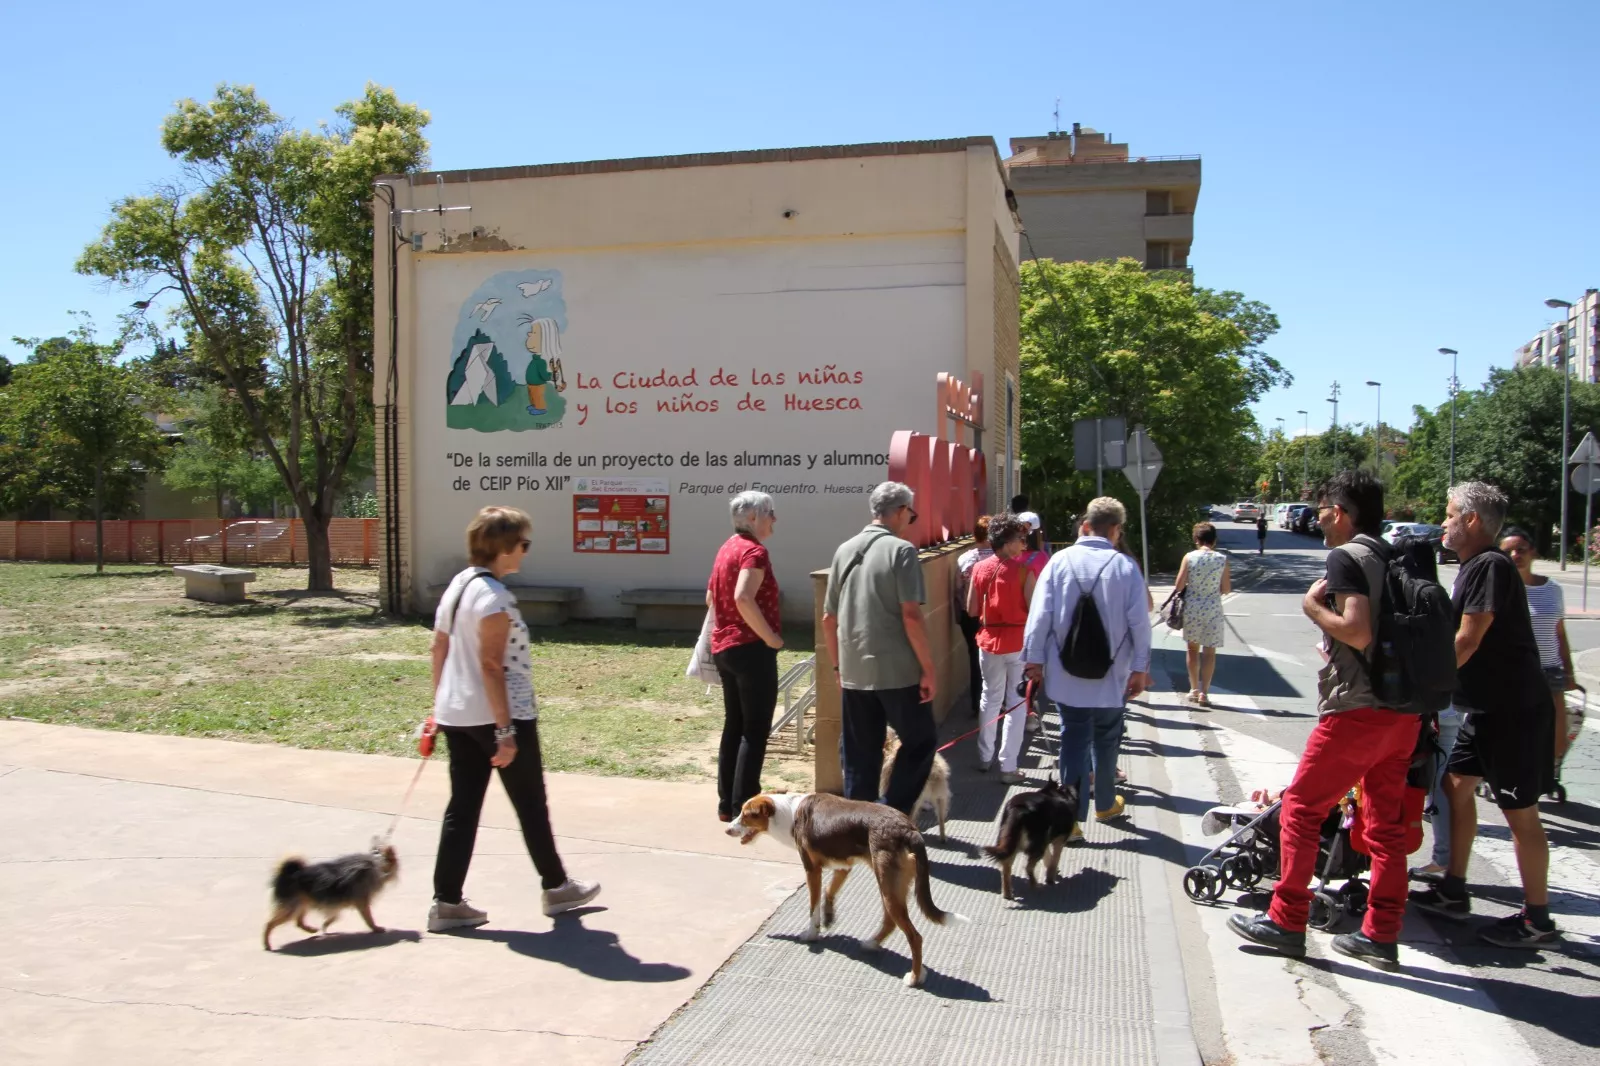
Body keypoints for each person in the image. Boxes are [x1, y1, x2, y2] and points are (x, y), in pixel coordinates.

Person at [1229, 471, 1418, 972]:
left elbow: (1355, 631)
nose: (1318, 518)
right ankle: (1380, 933)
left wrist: (1313, 606)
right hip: (1405, 713)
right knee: (1384, 827)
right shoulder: (1399, 553)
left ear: (1342, 512)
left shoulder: (1347, 557)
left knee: (1301, 809)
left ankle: (1286, 921)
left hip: (1357, 711)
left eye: (1324, 509)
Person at [427, 506, 600, 932]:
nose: (526, 550)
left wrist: (439, 707)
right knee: (530, 804)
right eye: (523, 543)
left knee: (462, 808)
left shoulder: (459, 586)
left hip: (459, 714)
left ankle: (446, 902)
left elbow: (438, 648)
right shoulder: (494, 598)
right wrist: (505, 732)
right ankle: (557, 888)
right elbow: (491, 665)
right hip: (501, 716)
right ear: (504, 548)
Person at [1410, 484, 1557, 948]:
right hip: (1485, 709)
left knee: (1521, 815)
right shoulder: (1475, 566)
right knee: (1455, 786)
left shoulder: (1489, 565)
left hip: (1514, 712)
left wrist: (1423, 687)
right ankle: (1454, 889)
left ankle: (1538, 921)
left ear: (1472, 521)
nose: (1444, 521)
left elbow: (1468, 640)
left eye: (1450, 514)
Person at [1022, 496, 1150, 832]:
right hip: (1113, 675)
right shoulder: (1126, 568)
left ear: (1085, 525)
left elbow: (1039, 618)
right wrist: (1140, 668)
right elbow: (1140, 624)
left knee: (1073, 738)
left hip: (1066, 673)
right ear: (1116, 530)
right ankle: (1105, 804)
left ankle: (1071, 821)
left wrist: (1034, 660)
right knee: (1108, 737)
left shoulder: (1059, 562)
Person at [822, 482, 938, 814]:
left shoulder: (844, 550)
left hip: (854, 669)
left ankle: (858, 826)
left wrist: (837, 666)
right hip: (897, 670)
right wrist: (928, 668)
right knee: (921, 741)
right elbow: (911, 615)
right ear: (901, 511)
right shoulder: (901, 551)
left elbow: (829, 618)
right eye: (911, 515)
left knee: (861, 752)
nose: (909, 520)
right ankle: (889, 814)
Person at [706, 491, 783, 823]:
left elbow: (711, 597)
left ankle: (727, 803)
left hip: (725, 648)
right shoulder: (754, 551)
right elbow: (743, 597)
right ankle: (745, 805)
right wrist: (771, 638)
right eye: (770, 513)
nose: (774, 519)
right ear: (753, 518)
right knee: (754, 729)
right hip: (751, 650)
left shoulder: (726, 548)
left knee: (735, 724)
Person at [1385, 536, 1459, 884]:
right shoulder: (1441, 597)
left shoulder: (1406, 597)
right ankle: (1445, 860)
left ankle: (1390, 864)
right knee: (1441, 787)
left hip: (1413, 711)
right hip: (1447, 705)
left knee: (1399, 788)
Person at [966, 513, 1036, 784]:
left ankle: (985, 756)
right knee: (1016, 702)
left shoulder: (979, 569)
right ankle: (1009, 765)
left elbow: (972, 608)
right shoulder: (1023, 572)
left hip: (988, 639)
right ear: (1007, 542)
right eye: (1020, 538)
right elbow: (1034, 612)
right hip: (1018, 642)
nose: (1024, 543)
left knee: (989, 696)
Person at [1501, 527, 1577, 774]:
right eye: (1508, 551)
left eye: (1521, 549)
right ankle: (1515, 779)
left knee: (1556, 736)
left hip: (1550, 671)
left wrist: (1570, 672)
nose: (1515, 555)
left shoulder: (1552, 589)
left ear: (1532, 552)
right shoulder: (1499, 589)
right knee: (1516, 733)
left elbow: (1559, 633)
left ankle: (1543, 774)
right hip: (1514, 673)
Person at [1174, 522, 1231, 707]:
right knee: (1210, 652)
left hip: (1193, 608)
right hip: (1213, 608)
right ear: (1214, 541)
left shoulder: (1189, 557)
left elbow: (1179, 586)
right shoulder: (1222, 559)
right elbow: (1226, 588)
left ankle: (1193, 689)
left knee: (1192, 650)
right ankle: (1204, 692)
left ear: (1196, 539)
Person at [955, 516, 995, 718]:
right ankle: (996, 703)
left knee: (974, 658)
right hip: (994, 616)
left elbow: (958, 590)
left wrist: (959, 615)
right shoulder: (1001, 559)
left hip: (969, 616)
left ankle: (976, 704)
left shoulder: (964, 559)